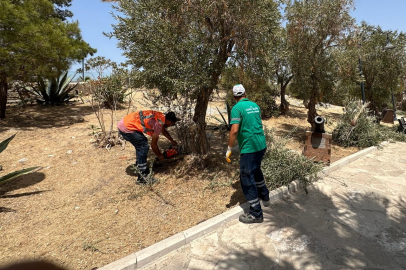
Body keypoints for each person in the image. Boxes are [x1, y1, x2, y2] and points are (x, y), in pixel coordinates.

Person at [226, 84, 270, 224]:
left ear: (234, 97)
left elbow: (234, 130)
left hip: (249, 148)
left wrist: (229, 148)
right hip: (261, 144)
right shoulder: (254, 105)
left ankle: (256, 213)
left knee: (246, 177)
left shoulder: (236, 108)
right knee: (256, 170)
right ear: (245, 93)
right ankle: (265, 196)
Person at [118, 110, 179, 184]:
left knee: (142, 144)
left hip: (126, 123)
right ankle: (143, 177)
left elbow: (163, 130)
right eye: (173, 124)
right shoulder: (158, 125)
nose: (172, 125)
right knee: (143, 146)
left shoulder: (161, 117)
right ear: (169, 122)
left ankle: (139, 167)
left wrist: (172, 141)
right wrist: (160, 155)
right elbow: (153, 145)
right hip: (127, 127)